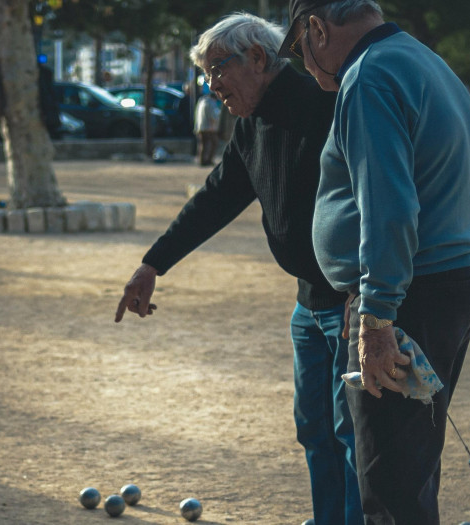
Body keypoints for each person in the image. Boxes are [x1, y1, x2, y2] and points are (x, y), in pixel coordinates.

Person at [115, 13, 361, 525]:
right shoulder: (251, 123)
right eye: (205, 75)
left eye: (216, 70)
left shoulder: (324, 104)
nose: (211, 86)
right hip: (307, 305)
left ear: (256, 58)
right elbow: (219, 195)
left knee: (351, 434)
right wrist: (153, 262)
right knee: (314, 430)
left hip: (350, 300)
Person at [284, 1, 470, 523]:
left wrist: (377, 316)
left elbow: (389, 207)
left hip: (412, 289)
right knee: (411, 468)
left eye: (300, 50)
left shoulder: (368, 76)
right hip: (449, 276)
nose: (304, 64)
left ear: (316, 29)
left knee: (389, 482)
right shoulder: (425, 61)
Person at [193, 84, 221, 166]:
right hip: (209, 127)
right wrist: (214, 126)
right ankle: (208, 159)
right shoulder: (211, 103)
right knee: (213, 143)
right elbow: (213, 116)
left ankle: (201, 160)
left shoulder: (201, 101)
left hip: (199, 127)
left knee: (202, 144)